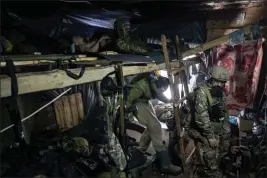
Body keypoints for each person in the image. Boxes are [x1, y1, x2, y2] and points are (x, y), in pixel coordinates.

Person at [125, 71, 182, 175]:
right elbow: (129, 99)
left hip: (144, 99)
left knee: (153, 126)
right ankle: (165, 164)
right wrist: (127, 113)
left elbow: (159, 94)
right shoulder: (141, 86)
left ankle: (140, 150)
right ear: (154, 85)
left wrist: (169, 100)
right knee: (154, 124)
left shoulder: (157, 82)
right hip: (135, 102)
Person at [185, 65, 230, 177]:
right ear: (211, 78)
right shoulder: (202, 92)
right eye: (217, 81)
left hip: (209, 122)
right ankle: (211, 171)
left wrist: (225, 123)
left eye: (222, 82)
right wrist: (210, 137)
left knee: (227, 133)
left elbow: (223, 109)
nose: (220, 84)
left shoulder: (220, 92)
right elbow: (201, 118)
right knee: (210, 145)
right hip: (195, 124)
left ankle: (220, 159)